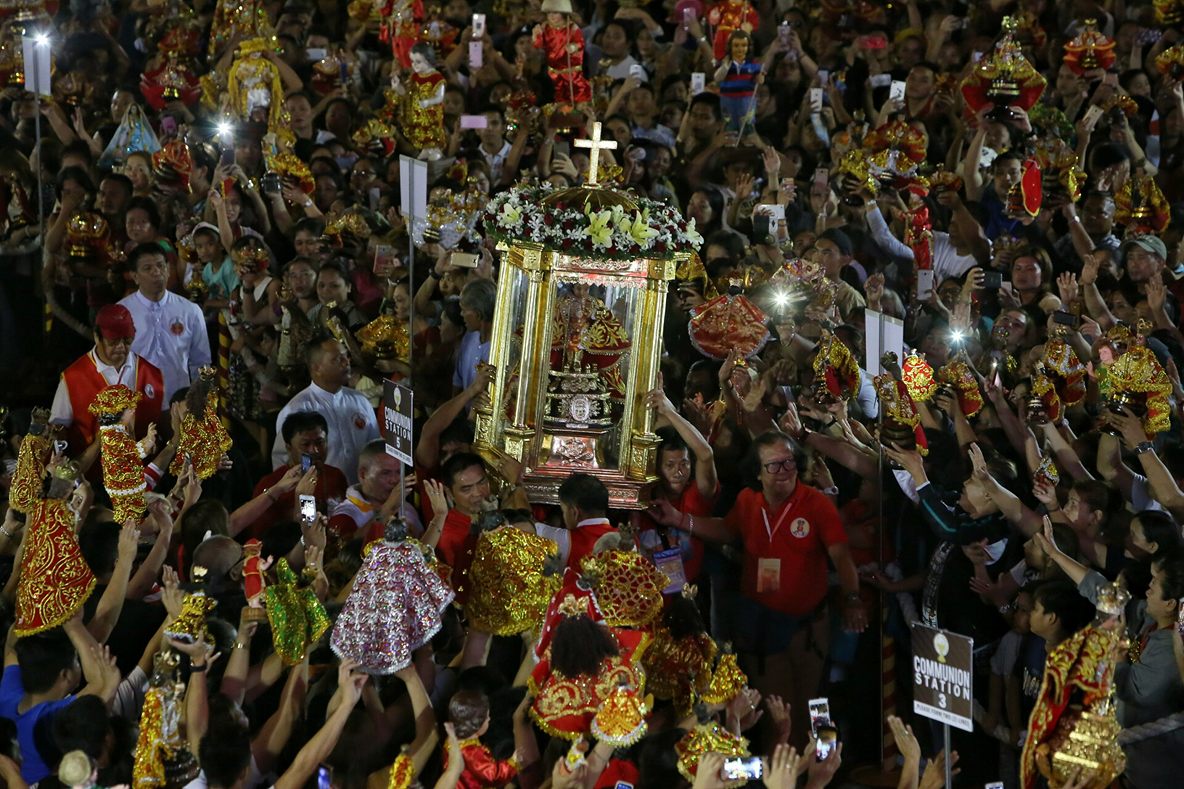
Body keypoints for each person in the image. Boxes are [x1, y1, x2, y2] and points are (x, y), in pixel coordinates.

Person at [648, 431, 864, 745]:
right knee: (775, 711)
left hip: (807, 628)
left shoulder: (815, 503)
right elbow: (726, 529)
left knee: (812, 704)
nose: (785, 471)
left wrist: (853, 597)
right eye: (774, 465)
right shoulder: (748, 501)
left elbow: (841, 555)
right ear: (757, 472)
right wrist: (680, 519)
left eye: (789, 462)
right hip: (761, 626)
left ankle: (816, 771)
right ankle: (783, 771)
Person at [51, 303, 164, 454]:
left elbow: (163, 422)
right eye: (113, 341)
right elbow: (58, 428)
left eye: (127, 340)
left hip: (140, 472)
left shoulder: (151, 374)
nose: (121, 347)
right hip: (90, 472)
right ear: (97, 337)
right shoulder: (73, 378)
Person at [270, 337, 380, 484]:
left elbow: (374, 447)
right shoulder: (297, 409)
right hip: (319, 495)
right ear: (316, 368)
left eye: (346, 356)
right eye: (337, 359)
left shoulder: (360, 401)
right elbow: (282, 462)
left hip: (359, 496)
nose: (346, 362)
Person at [117, 244, 212, 405]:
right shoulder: (121, 313)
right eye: (147, 268)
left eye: (160, 266)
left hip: (178, 402)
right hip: (135, 404)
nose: (156, 272)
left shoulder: (190, 310)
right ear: (135, 276)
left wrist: (200, 401)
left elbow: (201, 362)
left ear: (168, 269)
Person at [328, 440, 423, 543]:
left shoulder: (407, 507)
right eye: (385, 473)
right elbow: (345, 552)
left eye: (398, 472)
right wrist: (387, 509)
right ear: (363, 474)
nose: (394, 480)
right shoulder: (346, 515)